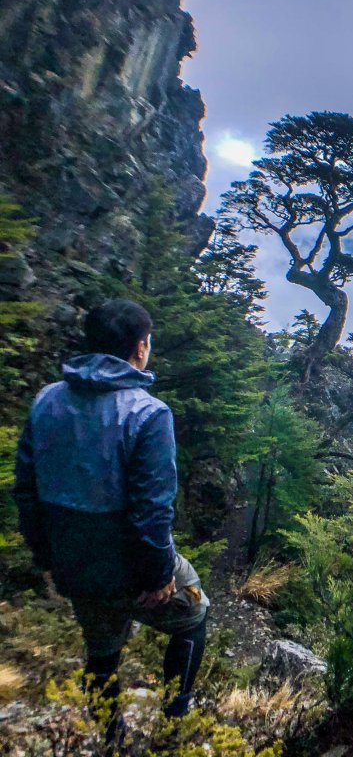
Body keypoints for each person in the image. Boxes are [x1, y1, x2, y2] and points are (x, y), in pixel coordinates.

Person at [13, 299, 210, 727]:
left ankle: (109, 736)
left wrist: (47, 559)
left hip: (72, 562)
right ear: (140, 348)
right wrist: (158, 577)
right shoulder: (147, 413)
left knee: (101, 646)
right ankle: (176, 719)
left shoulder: (46, 400)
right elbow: (152, 511)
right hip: (127, 566)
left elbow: (25, 491)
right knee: (194, 614)